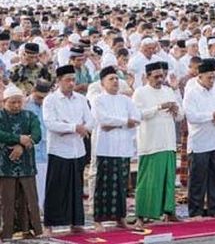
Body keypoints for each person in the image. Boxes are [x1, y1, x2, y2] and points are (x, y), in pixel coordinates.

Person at [43, 64, 94, 235]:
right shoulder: (51, 100)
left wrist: (80, 128)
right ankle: (49, 224)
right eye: (68, 80)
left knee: (76, 188)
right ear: (58, 81)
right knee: (56, 188)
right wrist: (73, 127)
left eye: (73, 80)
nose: (71, 83)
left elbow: (90, 120)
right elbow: (50, 123)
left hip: (77, 149)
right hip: (58, 150)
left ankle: (76, 223)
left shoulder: (80, 99)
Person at [133, 62, 183, 230]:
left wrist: (175, 110)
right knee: (148, 181)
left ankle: (169, 212)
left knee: (168, 180)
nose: (160, 79)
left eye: (162, 76)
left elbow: (180, 115)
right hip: (150, 143)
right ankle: (141, 215)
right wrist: (159, 107)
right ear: (147, 77)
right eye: (156, 76)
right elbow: (138, 115)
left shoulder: (168, 91)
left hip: (168, 141)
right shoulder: (140, 93)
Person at [91, 66, 140, 231]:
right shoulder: (98, 99)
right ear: (102, 83)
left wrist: (116, 123)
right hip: (105, 148)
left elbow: (136, 118)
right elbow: (103, 121)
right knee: (103, 184)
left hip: (123, 148)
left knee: (121, 186)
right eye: (111, 79)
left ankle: (121, 218)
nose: (115, 81)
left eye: (117, 78)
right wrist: (125, 122)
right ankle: (98, 220)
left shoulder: (126, 100)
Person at [183, 58, 215, 217]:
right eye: (209, 78)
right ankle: (195, 211)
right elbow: (191, 116)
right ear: (200, 76)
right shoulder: (192, 93)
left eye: (214, 77)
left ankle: (214, 210)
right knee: (197, 180)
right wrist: (212, 115)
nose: (212, 81)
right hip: (200, 143)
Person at [0, 84, 43, 240]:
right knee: (7, 200)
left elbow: (37, 134)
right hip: (4, 166)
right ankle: (6, 232)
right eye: (13, 102)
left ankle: (29, 230)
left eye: (19, 102)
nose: (17, 105)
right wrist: (18, 138)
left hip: (26, 165)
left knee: (29, 198)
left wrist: (21, 146)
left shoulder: (30, 116)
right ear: (4, 102)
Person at [24, 79, 49, 212]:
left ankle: (43, 208)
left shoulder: (50, 104)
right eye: (39, 97)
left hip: (47, 149)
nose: (41, 100)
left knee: (45, 181)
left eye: (44, 98)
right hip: (31, 148)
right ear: (33, 91)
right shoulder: (25, 104)